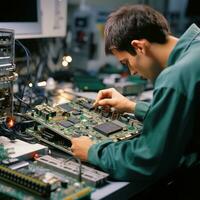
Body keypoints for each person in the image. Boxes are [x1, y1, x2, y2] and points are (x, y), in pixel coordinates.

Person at [71, 4, 200, 196]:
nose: (132, 72)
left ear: (139, 47)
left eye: (126, 63)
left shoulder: (176, 77)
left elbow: (150, 159)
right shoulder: (195, 49)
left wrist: (93, 151)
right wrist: (133, 106)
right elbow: (189, 118)